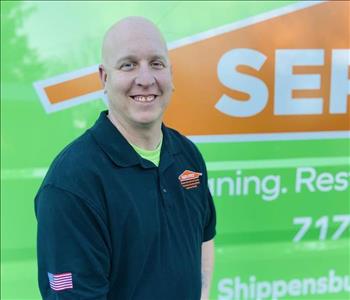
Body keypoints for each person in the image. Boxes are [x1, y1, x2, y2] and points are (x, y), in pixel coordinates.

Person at [35, 16, 216, 300]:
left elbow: (204, 238)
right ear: (104, 78)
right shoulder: (72, 183)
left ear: (171, 73)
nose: (145, 80)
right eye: (128, 65)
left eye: (156, 63)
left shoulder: (187, 155)